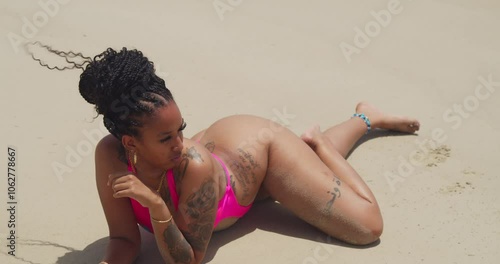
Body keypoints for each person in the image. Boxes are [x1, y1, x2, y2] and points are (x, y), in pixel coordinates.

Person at [31, 44, 420, 264]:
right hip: (230, 157)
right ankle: (350, 122)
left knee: (367, 228)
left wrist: (157, 207)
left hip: (257, 149)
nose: (179, 144)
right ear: (130, 143)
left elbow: (189, 260)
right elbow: (124, 240)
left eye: (181, 129)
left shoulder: (191, 164)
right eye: (166, 138)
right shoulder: (109, 155)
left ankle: (338, 132)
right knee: (307, 175)